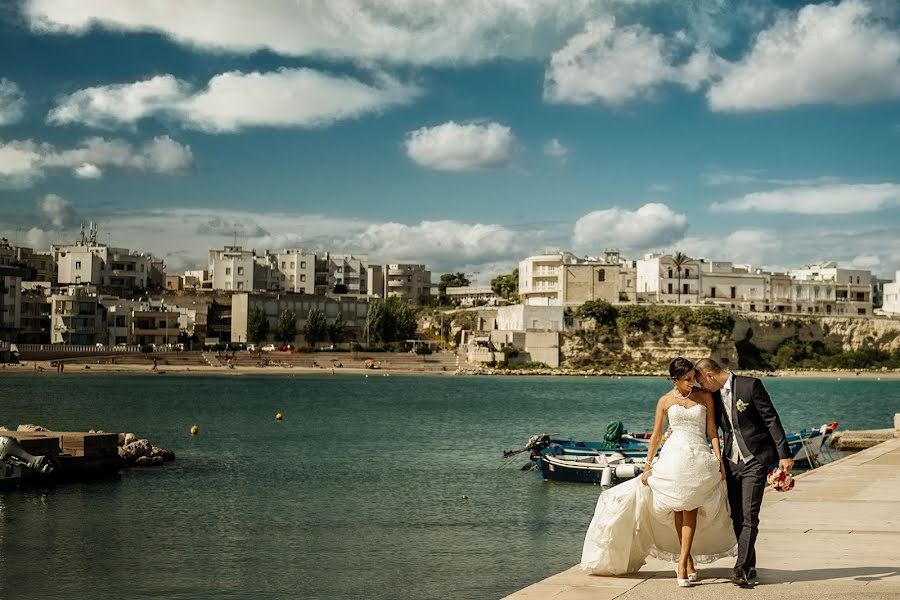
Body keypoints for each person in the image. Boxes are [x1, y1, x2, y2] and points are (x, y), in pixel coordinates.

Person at [581, 358, 735, 586]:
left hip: (697, 456)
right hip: (673, 456)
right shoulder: (665, 401)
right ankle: (688, 559)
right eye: (687, 379)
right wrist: (647, 465)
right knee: (677, 508)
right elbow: (655, 436)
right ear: (675, 379)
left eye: (694, 377)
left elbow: (712, 429)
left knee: (690, 507)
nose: (692, 383)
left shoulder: (704, 397)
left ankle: (681, 563)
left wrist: (719, 458)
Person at [694, 358, 793, 587]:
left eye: (701, 382)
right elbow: (711, 425)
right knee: (737, 516)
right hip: (731, 461)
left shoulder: (750, 386)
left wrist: (784, 455)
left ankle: (740, 569)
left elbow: (771, 419)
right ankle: (750, 564)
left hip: (755, 459)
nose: (702, 388)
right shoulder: (714, 396)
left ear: (709, 375)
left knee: (750, 515)